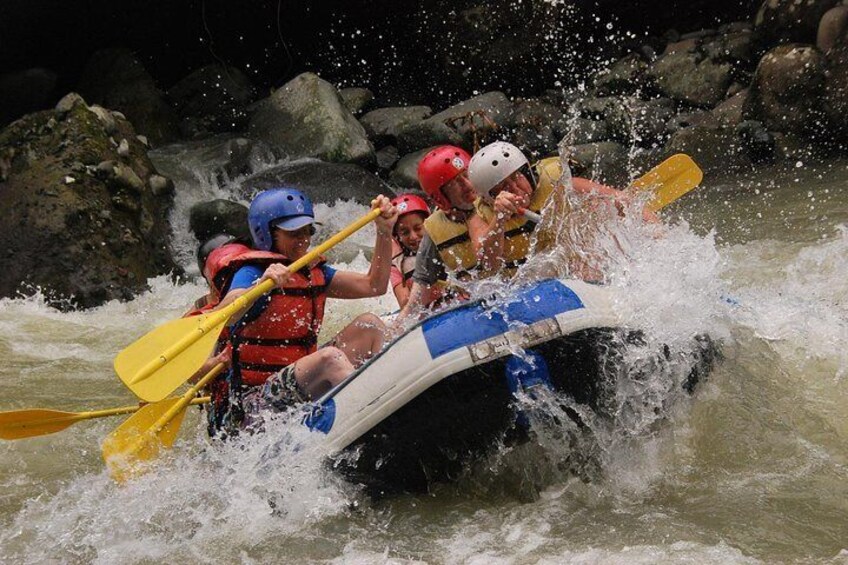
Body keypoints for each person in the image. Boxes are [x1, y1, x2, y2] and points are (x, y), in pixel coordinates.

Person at [207, 187, 397, 434]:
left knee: (369, 324)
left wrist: (384, 232)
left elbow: (374, 285)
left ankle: (393, 395)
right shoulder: (252, 271)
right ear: (266, 233)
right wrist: (260, 285)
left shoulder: (311, 272)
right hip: (254, 403)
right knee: (330, 359)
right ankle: (380, 423)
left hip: (298, 381)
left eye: (308, 231)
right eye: (294, 233)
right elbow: (224, 314)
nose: (304, 240)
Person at [467, 141, 657, 279]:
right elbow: (489, 264)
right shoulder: (480, 216)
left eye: (516, 177)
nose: (515, 189)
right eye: (503, 187)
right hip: (528, 282)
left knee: (597, 206)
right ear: (490, 197)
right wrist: (499, 219)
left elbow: (622, 202)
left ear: (526, 171)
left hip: (577, 269)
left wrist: (658, 234)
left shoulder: (558, 182)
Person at [396, 145, 479, 318]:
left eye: (466, 175)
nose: (467, 185)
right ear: (440, 198)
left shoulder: (500, 200)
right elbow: (416, 302)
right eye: (455, 183)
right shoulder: (435, 231)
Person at [388, 194, 431, 309]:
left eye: (418, 228)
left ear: (427, 224)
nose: (413, 236)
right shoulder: (395, 264)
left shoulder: (441, 242)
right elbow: (404, 303)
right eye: (405, 232)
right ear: (397, 237)